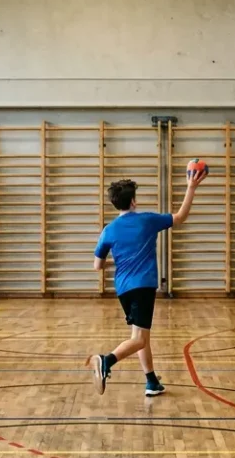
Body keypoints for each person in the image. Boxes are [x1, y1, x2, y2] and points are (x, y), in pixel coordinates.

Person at [88, 170, 206, 396]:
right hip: (143, 286)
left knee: (141, 335)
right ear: (133, 201)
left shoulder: (108, 230)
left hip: (123, 289)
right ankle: (106, 361)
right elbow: (180, 217)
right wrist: (191, 187)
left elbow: (97, 265)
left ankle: (151, 381)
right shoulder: (147, 220)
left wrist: (122, 260)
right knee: (140, 338)